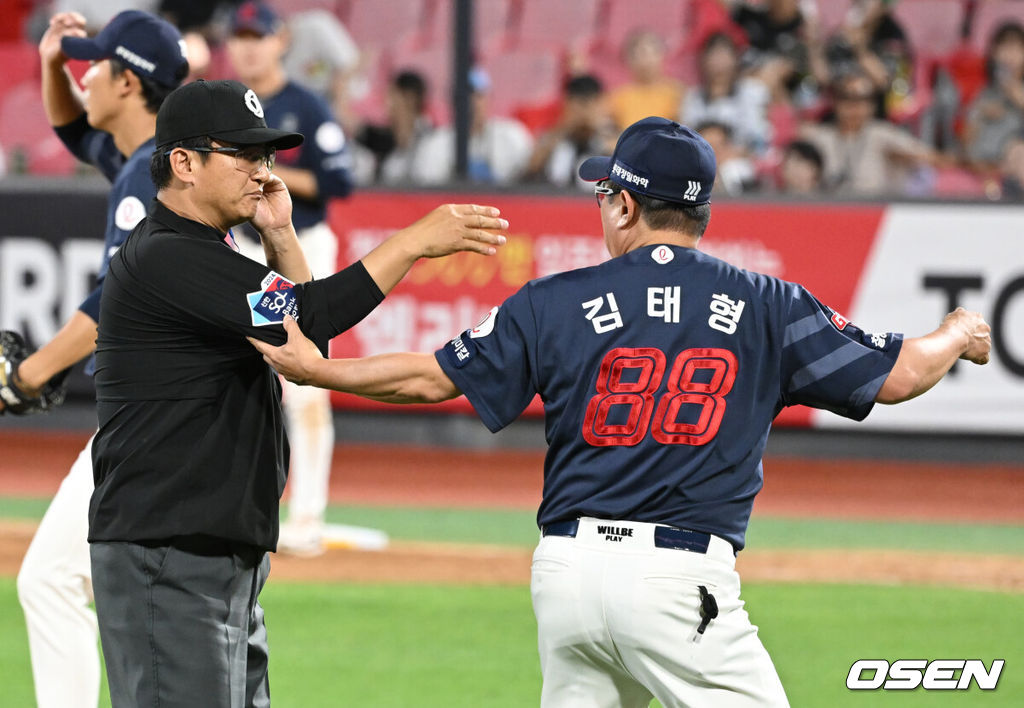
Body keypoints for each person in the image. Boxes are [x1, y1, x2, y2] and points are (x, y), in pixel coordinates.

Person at [251, 116, 991, 707]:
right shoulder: (769, 303)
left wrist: (320, 369)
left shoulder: (555, 300)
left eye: (605, 193)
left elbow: (429, 379)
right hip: (679, 585)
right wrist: (957, 331)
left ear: (626, 204)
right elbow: (899, 376)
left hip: (567, 576)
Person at [88, 78, 507, 706]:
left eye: (267, 156)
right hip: (168, 555)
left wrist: (281, 237)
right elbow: (313, 315)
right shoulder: (168, 256)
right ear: (184, 163)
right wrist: (414, 242)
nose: (261, 171)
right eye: (243, 154)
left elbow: (302, 351)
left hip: (211, 555)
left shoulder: (211, 251)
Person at [8, 10, 188, 708]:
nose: (84, 75)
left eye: (94, 65)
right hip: (177, 416)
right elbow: (73, 130)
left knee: (53, 582)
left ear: (128, 81)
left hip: (151, 421)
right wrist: (54, 62)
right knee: (150, 604)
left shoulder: (151, 177)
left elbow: (118, 295)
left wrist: (31, 370)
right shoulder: (154, 156)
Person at [225, 0, 375, 555]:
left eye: (256, 35)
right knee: (234, 377)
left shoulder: (305, 106)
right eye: (238, 35)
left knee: (304, 383)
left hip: (298, 245)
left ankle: (307, 516)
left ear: (280, 40)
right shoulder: (224, 102)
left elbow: (338, 182)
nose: (247, 45)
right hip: (235, 246)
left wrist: (263, 170)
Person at [800, 69, 941, 196]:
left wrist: (904, 157)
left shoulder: (883, 133)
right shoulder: (819, 137)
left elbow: (930, 158)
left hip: (875, 210)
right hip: (828, 210)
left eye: (862, 100)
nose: (854, 107)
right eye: (847, 99)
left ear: (871, 104)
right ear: (835, 102)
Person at [413, 67, 534, 185]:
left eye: (477, 95)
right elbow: (428, 190)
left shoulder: (511, 134)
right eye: (463, 96)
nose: (470, 102)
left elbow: (530, 177)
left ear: (489, 98)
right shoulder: (437, 142)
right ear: (452, 102)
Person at [524, 74, 617, 191]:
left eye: (591, 104)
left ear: (602, 103)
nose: (584, 111)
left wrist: (600, 129)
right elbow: (530, 169)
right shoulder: (553, 134)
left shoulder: (615, 136)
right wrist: (565, 128)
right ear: (566, 104)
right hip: (554, 200)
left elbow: (627, 165)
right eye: (577, 104)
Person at [963, 22, 1024, 170]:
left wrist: (1017, 94)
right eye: (1004, 48)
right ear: (994, 53)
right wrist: (981, 112)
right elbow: (967, 137)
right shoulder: (986, 93)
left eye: (1016, 49)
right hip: (988, 158)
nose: (1010, 55)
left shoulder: (1017, 90)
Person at [607, 29, 686, 131]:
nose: (645, 61)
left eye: (651, 53)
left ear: (662, 56)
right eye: (638, 55)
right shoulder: (617, 96)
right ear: (627, 59)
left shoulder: (677, 93)